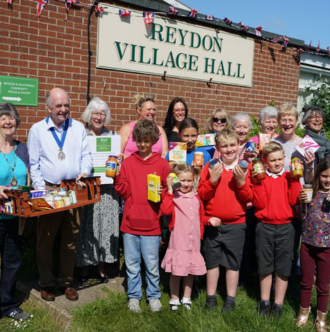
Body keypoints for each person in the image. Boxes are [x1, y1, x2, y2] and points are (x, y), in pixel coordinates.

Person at [27, 88, 93, 302]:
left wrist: (85, 171)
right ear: (49, 108)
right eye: (58, 106)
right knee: (45, 238)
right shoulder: (37, 130)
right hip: (49, 189)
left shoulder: (78, 127)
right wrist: (42, 190)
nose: (64, 109)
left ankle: (66, 281)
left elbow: (86, 155)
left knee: (70, 238)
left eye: (66, 105)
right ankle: (46, 283)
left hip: (74, 189)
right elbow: (34, 164)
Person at [114, 119, 170, 313]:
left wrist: (163, 192)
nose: (143, 144)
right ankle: (134, 296)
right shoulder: (128, 163)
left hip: (152, 224)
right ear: (135, 140)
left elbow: (168, 192)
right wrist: (115, 177)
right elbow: (124, 191)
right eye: (139, 140)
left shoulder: (162, 164)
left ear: (154, 140)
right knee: (131, 264)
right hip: (130, 224)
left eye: (147, 140)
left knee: (152, 264)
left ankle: (154, 296)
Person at [198, 129, 253, 313]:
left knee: (233, 262)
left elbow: (248, 197)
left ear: (239, 146)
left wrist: (240, 182)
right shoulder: (211, 166)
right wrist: (213, 180)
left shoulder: (245, 168)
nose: (229, 149)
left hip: (236, 224)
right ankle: (211, 297)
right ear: (218, 148)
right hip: (213, 223)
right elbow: (203, 195)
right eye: (224, 146)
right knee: (212, 262)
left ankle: (230, 299)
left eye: (232, 145)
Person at [252, 141, 301, 318]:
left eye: (280, 159)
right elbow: (260, 203)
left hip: (286, 226)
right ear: (265, 161)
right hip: (264, 226)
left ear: (285, 159)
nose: (277, 163)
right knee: (265, 265)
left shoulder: (290, 176)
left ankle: (278, 304)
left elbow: (295, 200)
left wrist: (295, 180)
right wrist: (257, 183)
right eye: (273, 160)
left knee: (283, 266)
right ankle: (264, 301)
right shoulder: (261, 177)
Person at [76, 97, 121, 283]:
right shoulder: (82, 136)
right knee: (88, 228)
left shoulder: (112, 137)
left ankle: (102, 268)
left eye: (102, 113)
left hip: (109, 190)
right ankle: (86, 267)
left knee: (106, 227)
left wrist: (119, 159)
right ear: (89, 115)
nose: (98, 117)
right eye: (95, 113)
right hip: (88, 189)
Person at [161, 164, 207, 311]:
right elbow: (165, 211)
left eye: (189, 180)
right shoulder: (172, 195)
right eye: (182, 181)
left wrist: (209, 220)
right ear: (174, 179)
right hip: (178, 240)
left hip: (193, 241)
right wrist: (169, 190)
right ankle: (175, 299)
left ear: (193, 180)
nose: (186, 184)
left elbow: (201, 216)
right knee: (177, 272)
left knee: (190, 272)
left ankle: (186, 298)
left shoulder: (196, 196)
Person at [0, 103, 30, 321]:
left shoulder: (23, 149)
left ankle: (7, 304)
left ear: (17, 123)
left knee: (12, 261)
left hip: (17, 217)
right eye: (3, 117)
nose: (8, 121)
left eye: (11, 118)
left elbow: (31, 179)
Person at [296, 157, 330, 331]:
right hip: (308, 244)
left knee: (323, 285)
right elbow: (303, 216)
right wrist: (301, 202)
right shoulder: (312, 192)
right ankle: (303, 312)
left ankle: (322, 318)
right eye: (324, 176)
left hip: (327, 248)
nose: (327, 180)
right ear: (318, 176)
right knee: (306, 281)